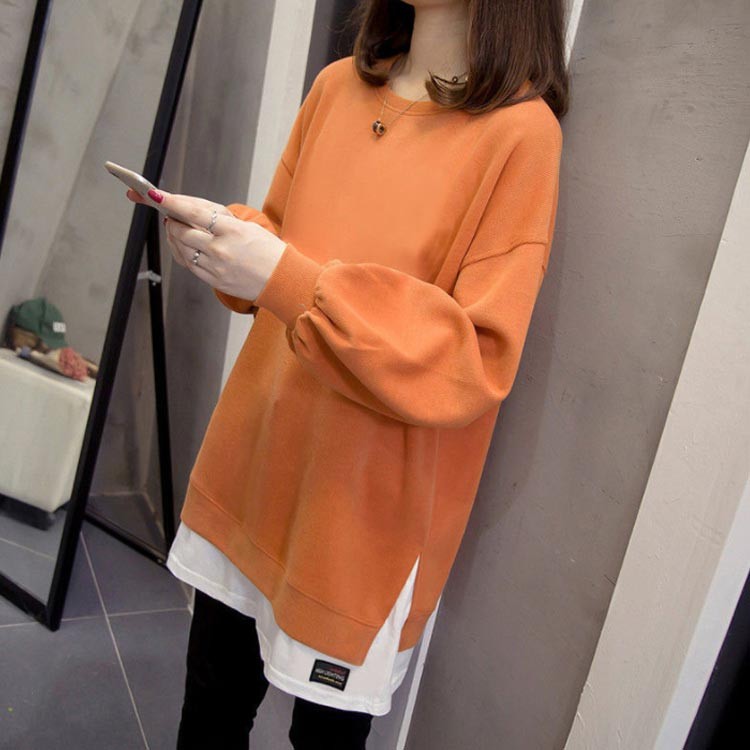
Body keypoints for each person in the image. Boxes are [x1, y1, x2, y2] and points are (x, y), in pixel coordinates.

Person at [126, 1, 569, 747]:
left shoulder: (521, 135)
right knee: (209, 707)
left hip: (361, 517)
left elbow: (473, 359)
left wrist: (285, 277)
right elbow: (285, 240)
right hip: (257, 459)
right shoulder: (337, 86)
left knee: (324, 741)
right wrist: (227, 240)